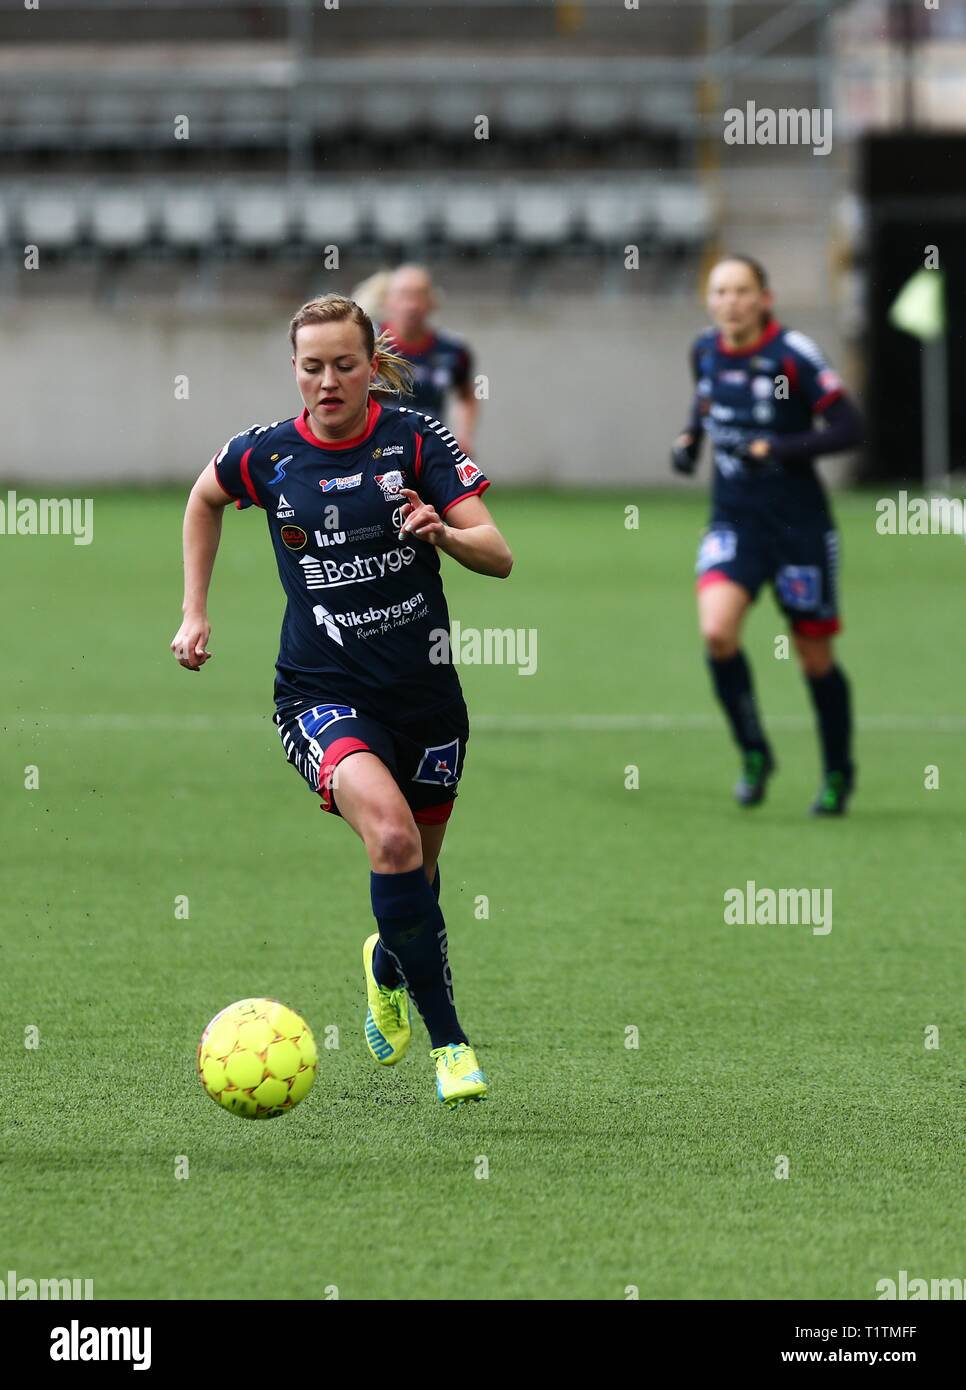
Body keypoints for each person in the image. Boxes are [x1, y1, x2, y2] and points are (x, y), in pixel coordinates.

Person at [171, 293, 512, 1107]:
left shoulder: (414, 437)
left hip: (426, 697)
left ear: (372, 367)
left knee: (418, 887)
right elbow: (203, 498)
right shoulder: (267, 455)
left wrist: (443, 534)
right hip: (321, 694)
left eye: (345, 365)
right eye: (312, 366)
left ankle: (386, 963)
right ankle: (452, 1046)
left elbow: (497, 555)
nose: (328, 381)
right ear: (295, 369)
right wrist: (194, 609)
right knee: (390, 838)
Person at [672, 255, 863, 814]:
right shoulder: (704, 349)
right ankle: (755, 752)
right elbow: (704, 401)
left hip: (799, 528)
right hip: (734, 521)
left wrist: (778, 449)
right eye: (720, 291)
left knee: (814, 656)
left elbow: (850, 427)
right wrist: (689, 439)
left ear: (764, 298)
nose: (729, 301)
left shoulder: (792, 356)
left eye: (740, 291)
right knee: (717, 633)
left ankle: (836, 773)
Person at [380, 264, 479, 457]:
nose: (412, 305)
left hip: (428, 451)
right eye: (404, 296)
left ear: (433, 302)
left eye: (419, 296)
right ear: (388, 301)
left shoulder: (453, 350)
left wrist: (464, 435)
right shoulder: (368, 344)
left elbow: (466, 396)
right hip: (377, 451)